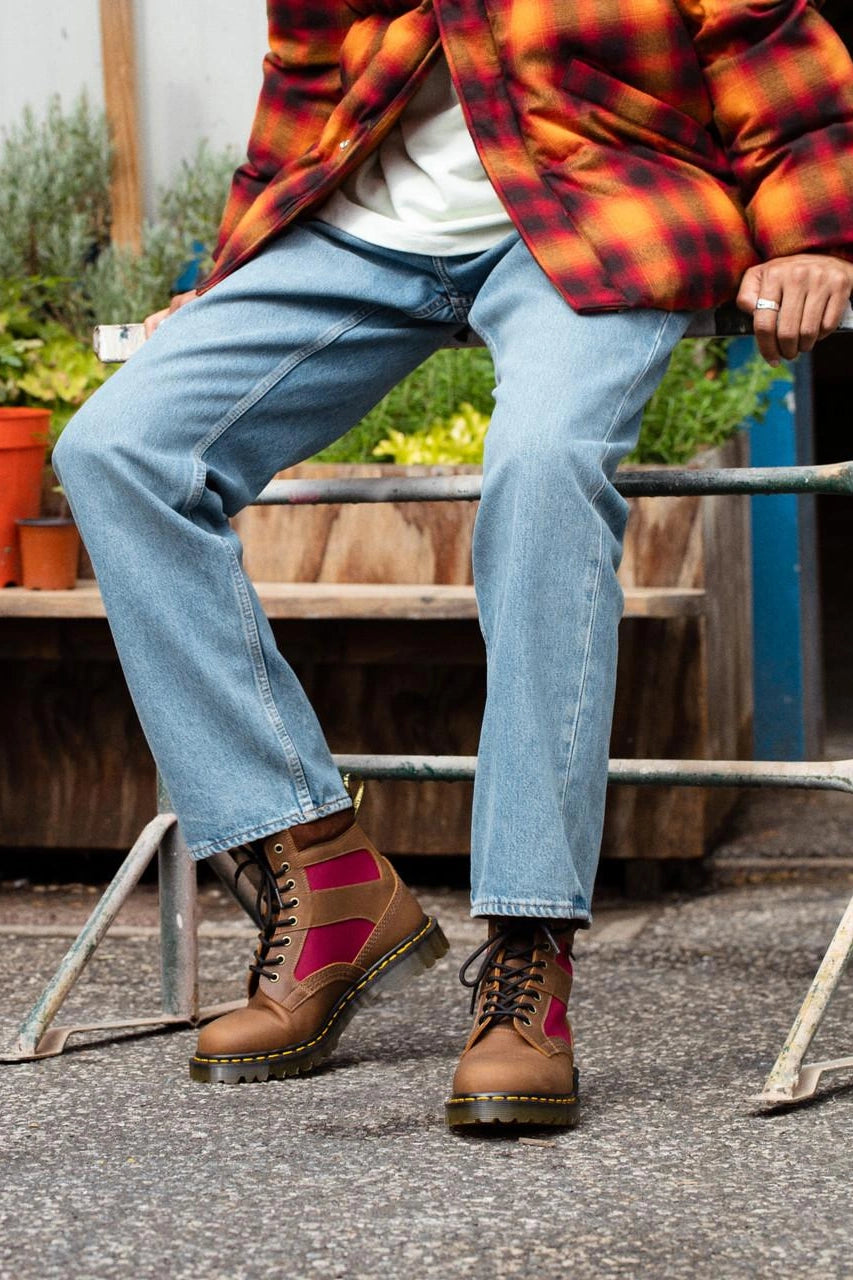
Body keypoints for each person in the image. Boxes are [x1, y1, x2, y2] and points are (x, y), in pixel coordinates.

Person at [54, 0, 853, 1131]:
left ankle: (529, 955)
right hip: (356, 235)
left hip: (593, 209)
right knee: (119, 449)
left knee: (539, 471)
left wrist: (810, 229)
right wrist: (232, 271)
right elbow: (305, 80)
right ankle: (318, 878)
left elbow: (767, 49)